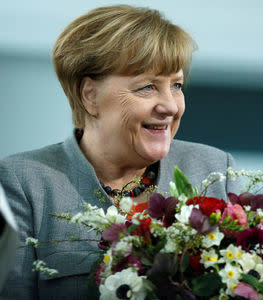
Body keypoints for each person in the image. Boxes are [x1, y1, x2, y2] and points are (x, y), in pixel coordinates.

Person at [0, 5, 240, 299]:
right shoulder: (23, 183)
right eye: (147, 87)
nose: (171, 106)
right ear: (90, 95)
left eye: (176, 85)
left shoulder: (215, 169)